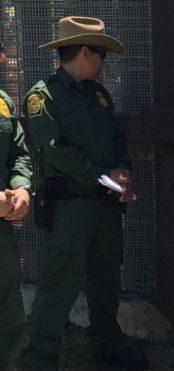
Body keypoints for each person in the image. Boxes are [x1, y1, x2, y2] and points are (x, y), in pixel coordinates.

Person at [22, 16, 147, 371]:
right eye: (101, 54)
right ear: (86, 53)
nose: (104, 62)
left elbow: (117, 139)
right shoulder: (42, 96)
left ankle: (107, 349)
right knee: (57, 285)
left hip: (104, 208)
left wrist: (123, 173)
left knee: (105, 282)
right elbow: (53, 149)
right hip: (68, 209)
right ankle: (42, 359)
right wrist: (100, 175)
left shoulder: (100, 95)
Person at [0, 43, 33, 371]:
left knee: (8, 312)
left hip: (2, 230)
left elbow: (17, 150)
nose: (2, 58)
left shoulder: (2, 101)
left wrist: (22, 186)